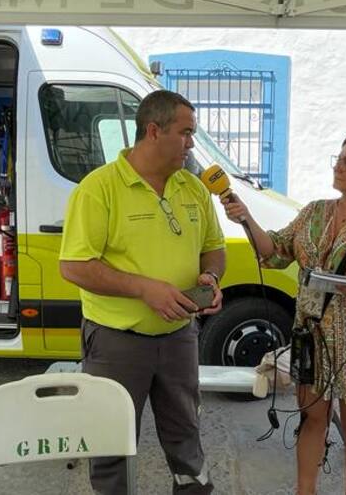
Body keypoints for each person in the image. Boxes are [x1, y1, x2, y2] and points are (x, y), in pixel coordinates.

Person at [222, 132, 346, 495]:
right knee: (311, 418)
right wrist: (245, 218)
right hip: (311, 336)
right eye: (338, 159)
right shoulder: (315, 212)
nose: (339, 167)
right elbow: (275, 250)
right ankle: (305, 490)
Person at [59, 90, 224, 495]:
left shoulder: (193, 189)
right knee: (111, 442)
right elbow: (74, 266)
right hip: (116, 341)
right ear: (153, 131)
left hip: (180, 337)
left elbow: (214, 249)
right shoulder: (98, 189)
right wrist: (144, 289)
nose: (191, 144)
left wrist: (210, 277)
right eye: (185, 133)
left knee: (186, 435)